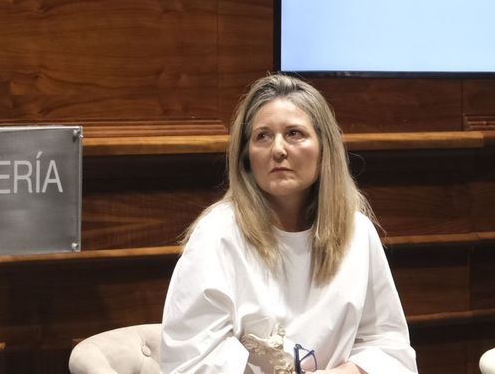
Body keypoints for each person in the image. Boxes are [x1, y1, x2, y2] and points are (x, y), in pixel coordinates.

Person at [160, 75, 416, 374]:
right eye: (262, 136)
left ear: (324, 150)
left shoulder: (357, 232)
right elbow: (192, 361)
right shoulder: (217, 235)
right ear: (246, 157)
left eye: (294, 133)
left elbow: (388, 345)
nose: (278, 149)